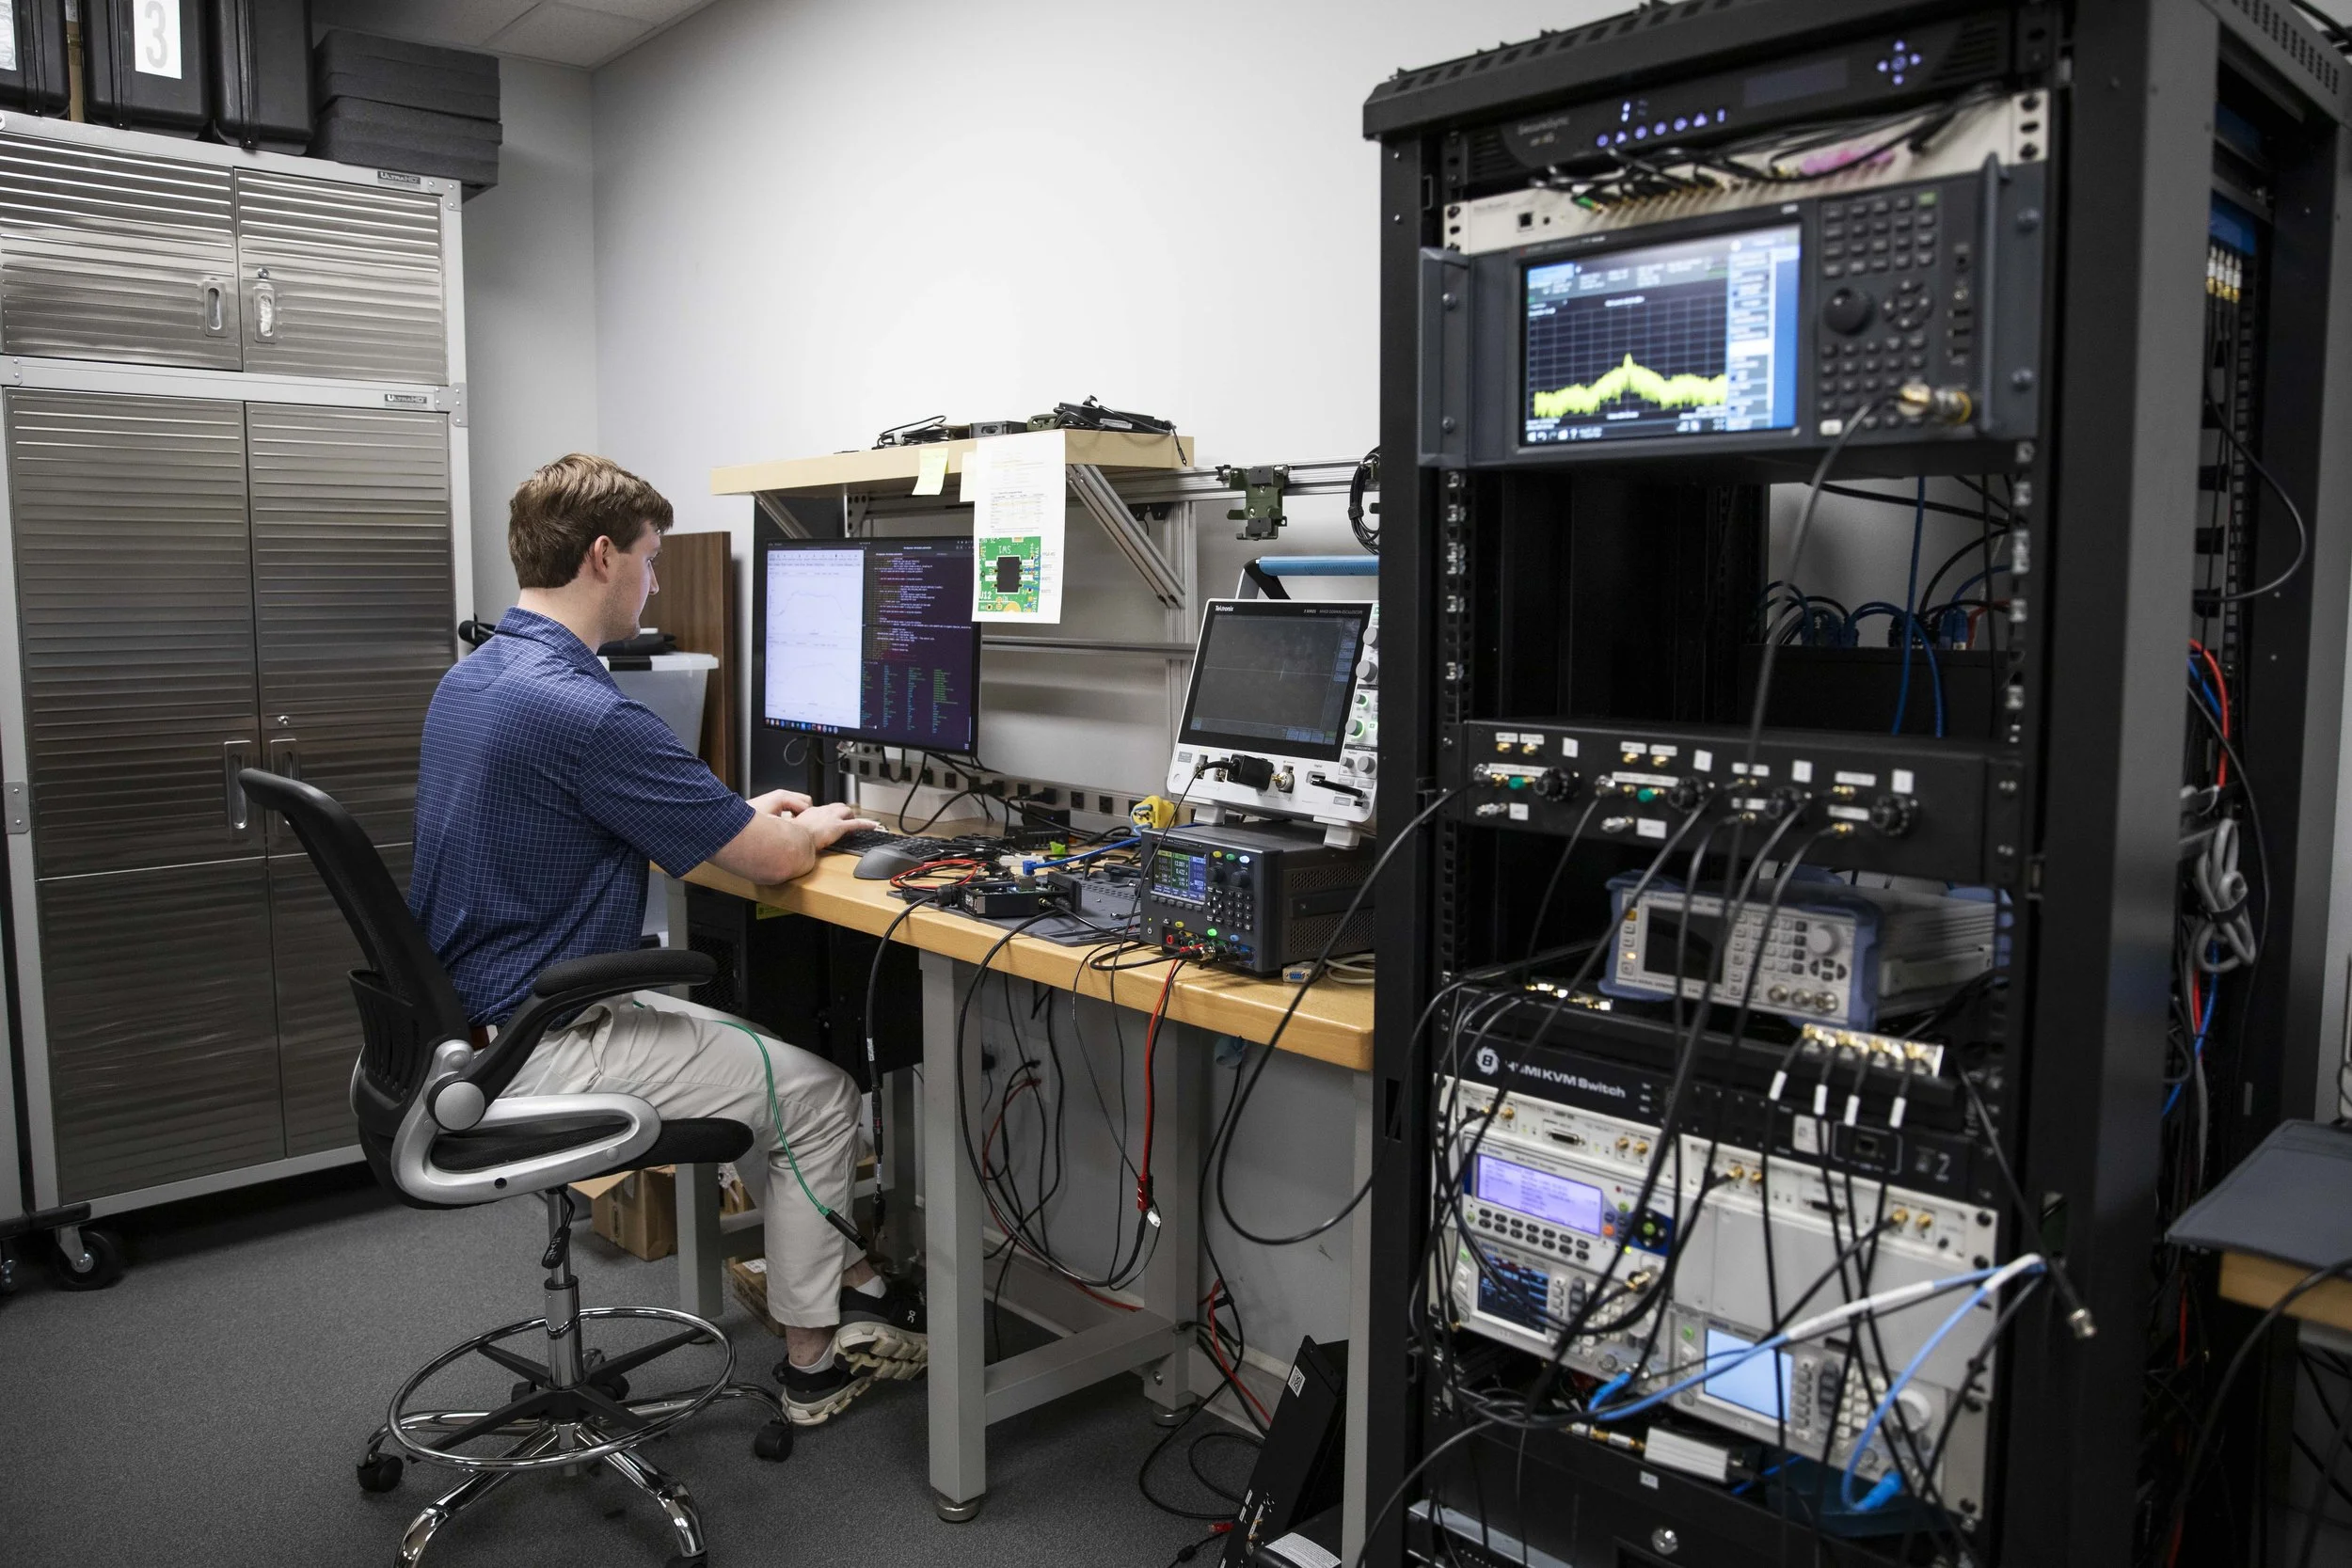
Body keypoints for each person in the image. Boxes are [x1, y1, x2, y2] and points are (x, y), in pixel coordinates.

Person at [408, 451, 923, 1427]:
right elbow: (771, 862)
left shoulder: (476, 681)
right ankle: (815, 1359)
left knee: (767, 1059)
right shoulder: (588, 708)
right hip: (549, 1040)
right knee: (820, 1092)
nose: (654, 578)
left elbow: (580, 823)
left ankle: (843, 1269)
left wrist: (727, 816)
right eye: (649, 557)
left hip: (476, 1030)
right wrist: (800, 829)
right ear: (604, 556)